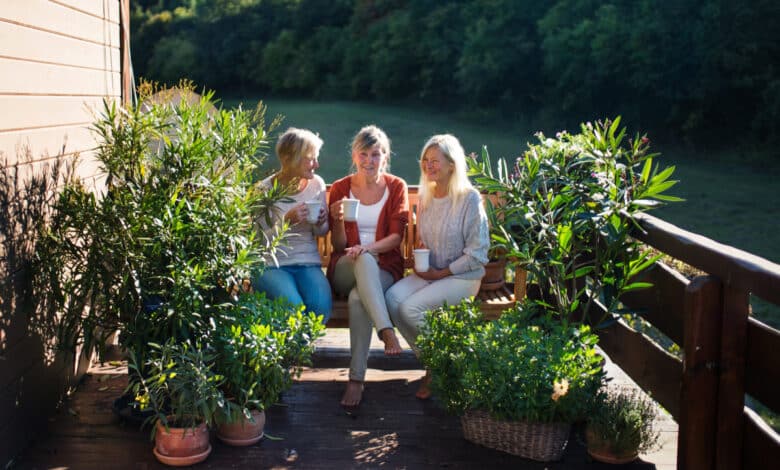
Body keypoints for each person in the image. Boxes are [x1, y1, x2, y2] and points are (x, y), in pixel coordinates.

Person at [385, 134, 489, 400]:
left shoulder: (469, 199)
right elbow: (428, 239)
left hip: (463, 277)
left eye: (435, 161)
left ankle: (439, 367)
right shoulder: (427, 196)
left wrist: (441, 273)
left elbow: (477, 253)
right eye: (425, 160)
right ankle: (437, 363)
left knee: (410, 308)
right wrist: (423, 253)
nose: (428, 166)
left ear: (452, 165)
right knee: (392, 298)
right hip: (433, 272)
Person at [327, 125, 409, 407]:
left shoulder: (396, 187)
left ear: (385, 156)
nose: (369, 161)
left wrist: (368, 248)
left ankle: (356, 379)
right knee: (360, 262)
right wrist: (338, 220)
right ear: (354, 156)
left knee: (358, 298)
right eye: (363, 154)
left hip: (384, 268)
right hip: (345, 268)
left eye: (375, 154)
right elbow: (338, 246)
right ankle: (386, 329)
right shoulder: (340, 188)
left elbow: (396, 238)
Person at [252, 127, 332, 323]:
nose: (316, 164)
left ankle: (300, 344)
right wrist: (285, 222)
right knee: (293, 308)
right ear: (288, 159)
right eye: (310, 159)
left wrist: (321, 222)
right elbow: (256, 242)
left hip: (307, 262)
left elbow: (321, 232)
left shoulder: (317, 184)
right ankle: (293, 344)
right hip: (271, 265)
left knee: (319, 307)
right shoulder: (263, 190)